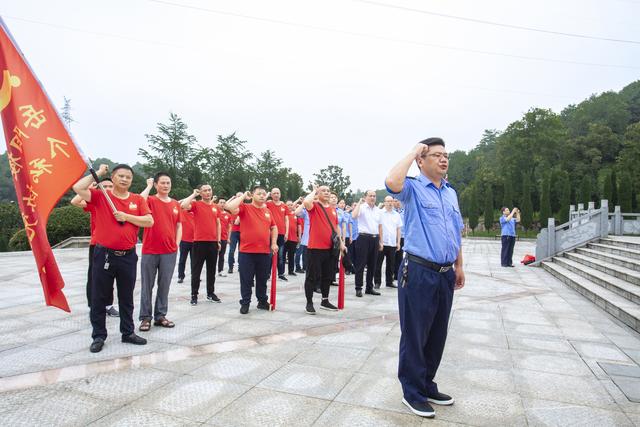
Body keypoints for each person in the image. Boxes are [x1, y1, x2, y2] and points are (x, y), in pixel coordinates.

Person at [385, 137, 465, 418]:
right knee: (415, 333)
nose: (443, 159)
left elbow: (455, 231)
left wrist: (459, 265)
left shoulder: (450, 193)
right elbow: (392, 182)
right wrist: (412, 151)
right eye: (436, 155)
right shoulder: (414, 189)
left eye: (446, 155)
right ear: (421, 160)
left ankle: (427, 384)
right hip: (418, 271)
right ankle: (412, 392)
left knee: (437, 333)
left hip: (444, 273)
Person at [73, 164, 153, 353]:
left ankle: (128, 332)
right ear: (113, 178)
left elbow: (149, 221)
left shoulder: (137, 200)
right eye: (120, 176)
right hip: (104, 255)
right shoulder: (102, 197)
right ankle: (99, 335)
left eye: (128, 177)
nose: (124, 180)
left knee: (127, 296)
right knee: (99, 296)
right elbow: (78, 189)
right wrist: (98, 174)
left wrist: (126, 216)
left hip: (128, 256)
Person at [70, 177, 119, 317]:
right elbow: (75, 201)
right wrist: (89, 186)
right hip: (97, 245)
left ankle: (109, 305)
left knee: (111, 277)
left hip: (115, 245)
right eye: (104, 186)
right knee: (94, 276)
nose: (108, 189)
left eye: (110, 186)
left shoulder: (118, 202)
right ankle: (93, 305)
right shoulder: (95, 202)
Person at [138, 174, 181, 332]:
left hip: (169, 252)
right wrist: (148, 186)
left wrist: (176, 245)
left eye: (168, 182)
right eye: (162, 183)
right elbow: (139, 201)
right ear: (156, 185)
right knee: (146, 285)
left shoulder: (175, 204)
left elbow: (178, 226)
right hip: (150, 249)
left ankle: (160, 315)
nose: (165, 185)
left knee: (164, 285)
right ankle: (145, 318)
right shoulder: (150, 200)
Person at [224, 187, 278, 314]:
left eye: (264, 194)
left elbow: (274, 227)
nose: (262, 196)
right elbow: (230, 207)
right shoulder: (245, 208)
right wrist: (243, 196)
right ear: (252, 195)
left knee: (262, 279)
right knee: (246, 279)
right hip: (247, 252)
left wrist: (274, 242)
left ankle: (262, 301)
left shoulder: (267, 211)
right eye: (258, 193)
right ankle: (245, 302)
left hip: (264, 252)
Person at [302, 184, 344, 314]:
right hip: (315, 248)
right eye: (323, 191)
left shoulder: (332, 209)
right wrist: (314, 190)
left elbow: (336, 227)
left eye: (328, 191)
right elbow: (306, 202)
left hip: (330, 248)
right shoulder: (314, 206)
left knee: (327, 276)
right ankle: (309, 302)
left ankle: (324, 300)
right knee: (312, 277)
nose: (326, 192)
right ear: (318, 194)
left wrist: (341, 243)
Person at [181, 184, 222, 305]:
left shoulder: (215, 207)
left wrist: (218, 240)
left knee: (211, 270)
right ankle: (194, 295)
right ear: (201, 193)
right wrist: (194, 194)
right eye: (205, 191)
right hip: (199, 242)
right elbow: (183, 205)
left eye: (209, 190)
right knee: (196, 270)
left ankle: (210, 293)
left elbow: (218, 224)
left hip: (213, 243)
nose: (208, 192)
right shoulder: (196, 204)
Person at [352, 190, 382, 297]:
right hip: (363, 238)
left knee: (372, 265)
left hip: (374, 238)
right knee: (361, 264)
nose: (372, 198)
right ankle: (358, 287)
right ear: (365, 197)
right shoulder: (362, 207)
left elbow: (380, 226)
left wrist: (380, 241)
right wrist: (359, 203)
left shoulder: (378, 210)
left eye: (374, 196)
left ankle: (369, 287)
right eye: (370, 196)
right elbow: (354, 215)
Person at [374, 196, 402, 289]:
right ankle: (377, 282)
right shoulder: (380, 213)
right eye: (388, 201)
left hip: (392, 243)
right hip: (382, 242)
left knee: (391, 264)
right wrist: (378, 241)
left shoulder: (396, 215)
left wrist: (398, 242)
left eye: (391, 201)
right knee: (378, 263)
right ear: (384, 202)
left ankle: (389, 281)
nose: (390, 203)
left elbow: (398, 229)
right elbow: (377, 226)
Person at [266, 188, 289, 281]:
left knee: (281, 255)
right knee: (269, 255)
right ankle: (267, 274)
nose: (276, 195)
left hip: (281, 233)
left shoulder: (284, 206)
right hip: (270, 233)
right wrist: (267, 195)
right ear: (271, 195)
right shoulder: (268, 204)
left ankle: (281, 274)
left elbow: (287, 220)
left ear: (280, 194)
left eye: (278, 193)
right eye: (274, 193)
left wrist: (286, 233)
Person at [177, 207, 194, 284]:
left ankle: (195, 276)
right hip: (184, 240)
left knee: (194, 260)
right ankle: (181, 276)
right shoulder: (182, 211)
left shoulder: (196, 213)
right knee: (182, 260)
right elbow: (178, 204)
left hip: (195, 240)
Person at [227, 192, 243, 274]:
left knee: (242, 250)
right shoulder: (233, 206)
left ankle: (241, 267)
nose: (239, 198)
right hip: (234, 231)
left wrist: (239, 218)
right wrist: (232, 198)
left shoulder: (244, 206)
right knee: (232, 250)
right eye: (238, 196)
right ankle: (230, 267)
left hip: (243, 232)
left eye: (241, 196)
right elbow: (226, 205)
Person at [217, 198, 232, 277]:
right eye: (221, 202)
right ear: (218, 203)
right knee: (213, 255)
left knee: (221, 255)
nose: (222, 204)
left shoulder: (228, 215)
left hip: (224, 238)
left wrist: (229, 238)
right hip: (215, 238)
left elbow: (230, 227)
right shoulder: (215, 212)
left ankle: (220, 270)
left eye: (224, 202)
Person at [284, 200, 299, 276]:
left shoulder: (295, 214)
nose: (290, 206)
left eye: (291, 205)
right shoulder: (284, 214)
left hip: (293, 239)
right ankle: (281, 272)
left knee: (291, 256)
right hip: (285, 238)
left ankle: (291, 271)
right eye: (288, 205)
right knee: (282, 256)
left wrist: (299, 237)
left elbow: (298, 226)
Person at [393, 199, 405, 281]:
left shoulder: (405, 211)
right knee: (392, 257)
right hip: (393, 237)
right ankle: (391, 273)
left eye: (398, 201)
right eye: (395, 201)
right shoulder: (392, 212)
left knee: (400, 256)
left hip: (403, 236)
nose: (397, 202)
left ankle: (397, 274)